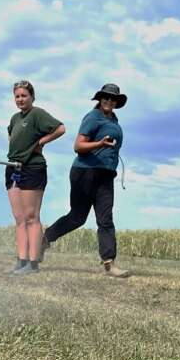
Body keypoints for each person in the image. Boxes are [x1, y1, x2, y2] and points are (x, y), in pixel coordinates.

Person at [41, 84, 131, 278]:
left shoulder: (114, 120)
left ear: (116, 102)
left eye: (113, 99)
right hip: (85, 172)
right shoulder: (92, 117)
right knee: (77, 217)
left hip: (106, 175)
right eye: (105, 98)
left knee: (105, 219)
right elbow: (78, 145)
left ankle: (109, 264)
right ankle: (45, 239)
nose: (109, 101)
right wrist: (99, 144)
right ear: (100, 99)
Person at [5, 80, 65, 275]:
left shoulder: (37, 114)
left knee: (31, 216)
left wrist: (41, 141)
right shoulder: (15, 118)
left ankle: (33, 263)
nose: (20, 99)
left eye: (24, 95)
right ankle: (21, 260)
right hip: (13, 167)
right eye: (17, 96)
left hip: (33, 168)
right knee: (19, 217)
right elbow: (11, 135)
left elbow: (60, 129)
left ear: (32, 97)